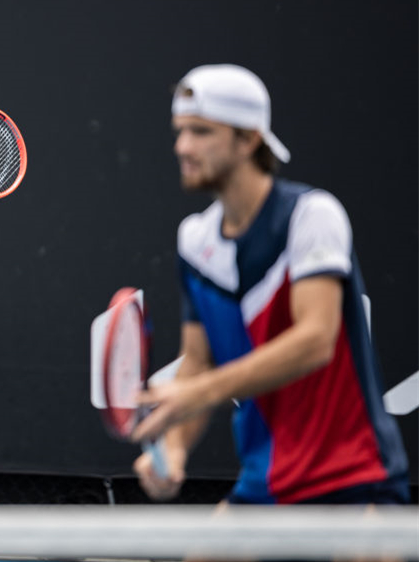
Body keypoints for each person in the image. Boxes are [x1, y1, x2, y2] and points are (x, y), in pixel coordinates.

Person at [131, 64, 410, 508]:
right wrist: (175, 447)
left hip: (351, 478)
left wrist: (197, 393)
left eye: (201, 131)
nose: (183, 147)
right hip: (264, 483)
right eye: (180, 131)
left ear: (248, 140)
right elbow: (198, 363)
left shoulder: (311, 216)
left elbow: (315, 340)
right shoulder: (196, 242)